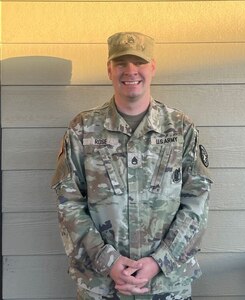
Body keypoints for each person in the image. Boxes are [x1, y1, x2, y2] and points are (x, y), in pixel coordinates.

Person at [51, 32, 212, 300]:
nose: (131, 71)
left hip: (166, 286)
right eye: (121, 63)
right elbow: (68, 203)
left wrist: (159, 261)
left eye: (139, 62)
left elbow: (197, 201)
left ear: (153, 67)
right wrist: (108, 261)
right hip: (102, 287)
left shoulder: (180, 128)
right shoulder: (83, 129)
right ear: (109, 69)